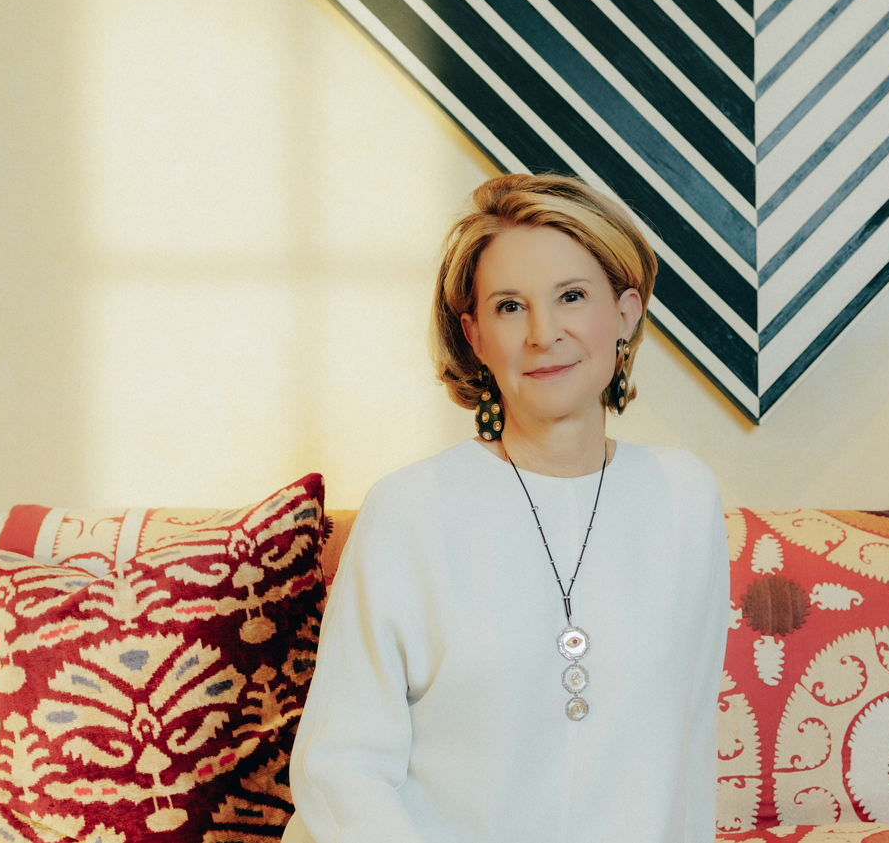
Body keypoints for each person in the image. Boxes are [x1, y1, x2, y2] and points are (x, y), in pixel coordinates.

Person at [283, 173, 729, 842]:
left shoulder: (684, 497)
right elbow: (339, 767)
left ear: (626, 311)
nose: (543, 333)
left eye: (572, 296)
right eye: (510, 307)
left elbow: (684, 756)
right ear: (475, 335)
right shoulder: (410, 509)